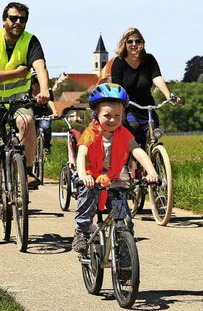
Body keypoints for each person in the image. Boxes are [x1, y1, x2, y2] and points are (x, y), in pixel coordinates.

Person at [0, 1, 50, 229]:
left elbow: (41, 67)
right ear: (4, 20)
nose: (18, 23)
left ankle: (26, 170)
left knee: (27, 120)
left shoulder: (30, 41)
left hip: (17, 100)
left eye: (22, 19)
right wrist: (15, 73)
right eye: (14, 18)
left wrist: (44, 89)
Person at [71, 83, 159, 253]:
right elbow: (81, 154)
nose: (112, 120)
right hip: (91, 179)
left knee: (124, 221)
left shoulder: (123, 133)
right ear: (96, 114)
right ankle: (81, 232)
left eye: (117, 115)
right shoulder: (90, 133)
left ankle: (125, 263)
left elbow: (138, 150)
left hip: (113, 180)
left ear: (123, 114)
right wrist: (83, 175)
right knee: (87, 202)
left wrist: (152, 171)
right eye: (107, 115)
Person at [111, 27, 180, 147]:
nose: (134, 44)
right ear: (124, 43)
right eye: (130, 41)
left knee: (153, 134)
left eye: (137, 41)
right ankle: (133, 161)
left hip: (147, 106)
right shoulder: (118, 62)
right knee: (134, 127)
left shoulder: (149, 60)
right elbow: (117, 88)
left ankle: (155, 161)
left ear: (142, 43)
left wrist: (169, 96)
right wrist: (120, 107)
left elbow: (157, 78)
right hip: (129, 108)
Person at [30, 67, 57, 155]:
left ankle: (46, 146)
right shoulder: (27, 91)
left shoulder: (47, 90)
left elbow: (50, 101)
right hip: (31, 113)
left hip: (43, 113)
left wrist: (54, 112)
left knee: (46, 126)